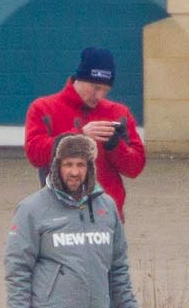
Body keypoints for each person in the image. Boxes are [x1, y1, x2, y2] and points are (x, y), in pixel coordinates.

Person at [3, 132, 154, 308]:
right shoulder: (32, 209)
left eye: (81, 165)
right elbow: (17, 271)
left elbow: (117, 270)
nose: (74, 172)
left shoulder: (107, 207)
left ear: (90, 167)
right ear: (56, 166)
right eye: (68, 164)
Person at [23, 47, 146, 215]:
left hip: (106, 217)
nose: (100, 96)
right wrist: (77, 135)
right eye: (95, 87)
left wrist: (115, 145)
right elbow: (35, 155)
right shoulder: (43, 109)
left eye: (105, 90)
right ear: (79, 79)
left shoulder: (119, 114)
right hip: (58, 215)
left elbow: (135, 168)